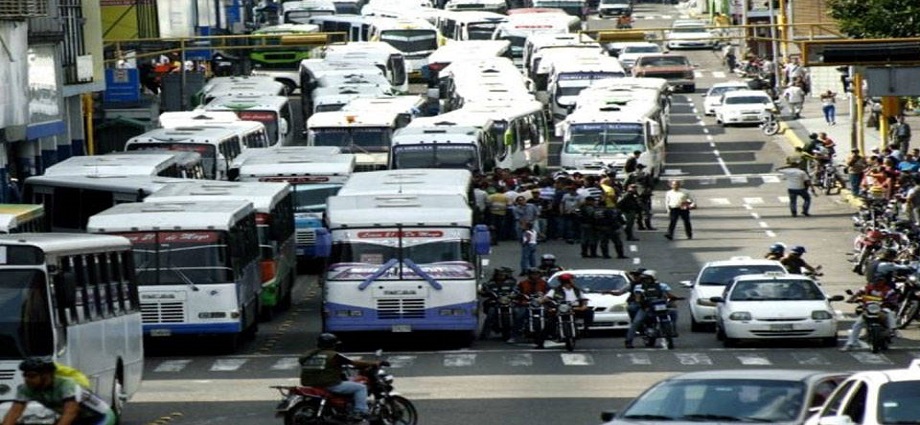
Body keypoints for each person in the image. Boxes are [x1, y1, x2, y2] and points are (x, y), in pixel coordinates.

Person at [299, 334, 386, 424]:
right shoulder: (333, 355)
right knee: (361, 387)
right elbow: (353, 363)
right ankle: (360, 412)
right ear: (332, 344)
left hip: (310, 383)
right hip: (328, 384)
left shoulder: (309, 355)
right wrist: (373, 363)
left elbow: (320, 365)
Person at [1, 358, 116, 425]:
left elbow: (71, 412)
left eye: (32, 376)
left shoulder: (66, 385)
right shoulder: (25, 388)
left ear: (46, 375)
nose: (27, 379)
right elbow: (14, 413)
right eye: (25, 375)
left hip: (100, 416)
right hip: (77, 420)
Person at [624, 270, 679, 348]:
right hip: (647, 308)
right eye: (644, 279)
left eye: (648, 279)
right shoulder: (639, 287)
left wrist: (675, 298)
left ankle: (672, 330)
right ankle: (628, 341)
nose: (646, 280)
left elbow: (669, 295)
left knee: (673, 312)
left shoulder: (662, 286)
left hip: (660, 307)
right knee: (637, 321)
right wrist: (642, 303)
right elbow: (637, 298)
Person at [841, 279, 899, 351]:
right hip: (868, 309)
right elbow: (858, 293)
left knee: (890, 313)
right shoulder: (867, 288)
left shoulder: (889, 290)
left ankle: (893, 330)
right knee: (857, 324)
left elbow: (894, 299)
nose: (878, 283)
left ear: (884, 282)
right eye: (877, 281)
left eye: (880, 281)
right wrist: (852, 298)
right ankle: (850, 344)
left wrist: (890, 303)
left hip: (882, 309)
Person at [479, 267, 519, 341]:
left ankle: (516, 333)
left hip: (508, 302)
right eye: (499, 275)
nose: (501, 276)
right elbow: (484, 291)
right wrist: (484, 292)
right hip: (495, 303)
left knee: (517, 313)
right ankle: (484, 334)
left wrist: (514, 295)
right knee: (490, 314)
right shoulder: (490, 283)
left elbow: (516, 290)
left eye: (502, 275)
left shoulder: (511, 283)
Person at [513, 268, 551, 346]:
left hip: (541, 304)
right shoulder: (522, 283)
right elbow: (516, 291)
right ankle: (515, 335)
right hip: (526, 304)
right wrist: (517, 295)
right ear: (529, 275)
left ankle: (550, 332)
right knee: (519, 316)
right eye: (533, 274)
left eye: (537, 274)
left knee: (550, 315)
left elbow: (550, 292)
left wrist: (546, 297)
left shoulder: (544, 283)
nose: (535, 276)